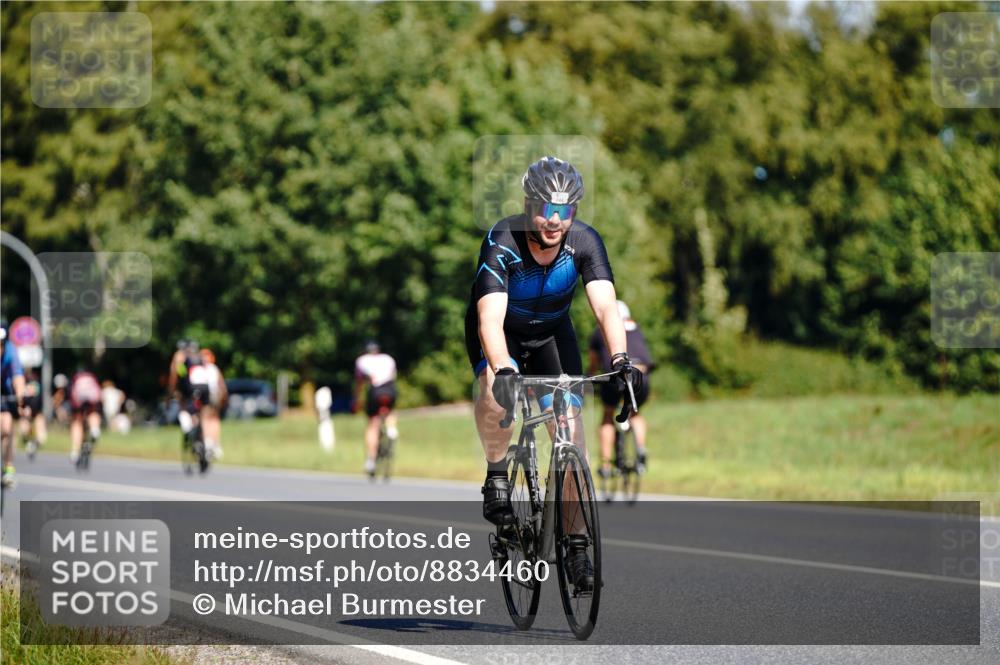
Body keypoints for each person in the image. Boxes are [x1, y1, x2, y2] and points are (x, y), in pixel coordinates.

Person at [465, 156, 642, 592]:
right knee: (494, 384)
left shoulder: (584, 242)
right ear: (529, 205)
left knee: (571, 436)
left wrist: (621, 360)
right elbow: (489, 318)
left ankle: (577, 549)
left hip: (550, 336)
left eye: (565, 211)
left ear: (575, 213)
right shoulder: (503, 239)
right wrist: (503, 367)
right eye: (546, 208)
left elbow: (604, 305)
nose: (554, 220)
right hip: (500, 329)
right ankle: (496, 475)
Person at [589, 300, 654, 477]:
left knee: (608, 415)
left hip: (614, 376)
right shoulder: (637, 329)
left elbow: (594, 361)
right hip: (640, 376)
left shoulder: (599, 332)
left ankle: (606, 464)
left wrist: (590, 376)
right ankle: (640, 449)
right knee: (636, 413)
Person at [353, 340, 398, 477]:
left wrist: (357, 400)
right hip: (390, 390)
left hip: (375, 391)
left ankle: (371, 460)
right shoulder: (388, 359)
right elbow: (393, 376)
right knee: (390, 411)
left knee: (372, 424)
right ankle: (391, 429)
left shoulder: (362, 360)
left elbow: (359, 383)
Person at [1, 319, 27, 487]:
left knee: (7, 428)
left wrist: (20, 398)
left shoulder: (11, 351)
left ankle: (8, 467)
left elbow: (18, 377)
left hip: (5, 390)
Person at [198, 348, 227, 459]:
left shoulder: (199, 369)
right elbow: (222, 386)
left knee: (205, 418)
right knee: (214, 419)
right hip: (215, 396)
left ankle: (208, 443)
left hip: (206, 397)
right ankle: (215, 444)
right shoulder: (214, 369)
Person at [68, 369, 102, 464]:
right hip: (92, 397)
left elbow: (71, 394)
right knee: (93, 412)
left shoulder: (76, 378)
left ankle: (75, 450)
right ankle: (94, 429)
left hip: (79, 398)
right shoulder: (92, 377)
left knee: (77, 421)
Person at [19, 368, 48, 455]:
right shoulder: (33, 381)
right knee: (26, 426)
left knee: (37, 423)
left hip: (34, 408)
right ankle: (30, 439)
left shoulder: (32, 382)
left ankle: (36, 440)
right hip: (30, 408)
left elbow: (37, 399)